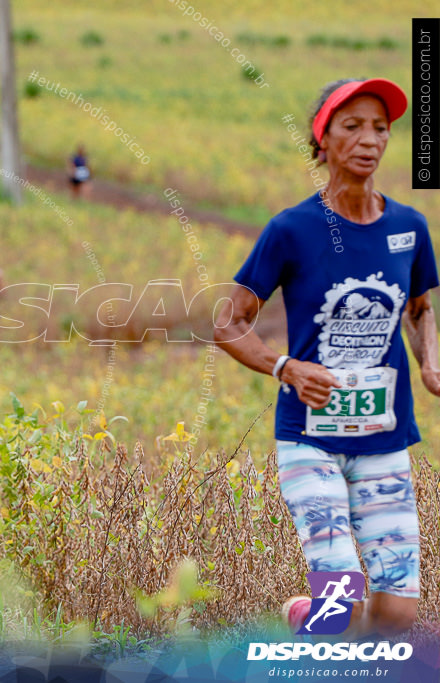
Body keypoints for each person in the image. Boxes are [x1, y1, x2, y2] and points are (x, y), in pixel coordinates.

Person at [215, 78, 439, 638]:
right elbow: (228, 321)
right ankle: (318, 624)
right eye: (353, 126)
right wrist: (284, 366)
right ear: (323, 139)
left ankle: (314, 625)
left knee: (395, 616)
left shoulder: (408, 228)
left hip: (384, 438)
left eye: (381, 128)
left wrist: (430, 364)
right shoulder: (291, 230)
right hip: (309, 438)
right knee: (341, 600)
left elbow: (418, 310)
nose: (370, 140)